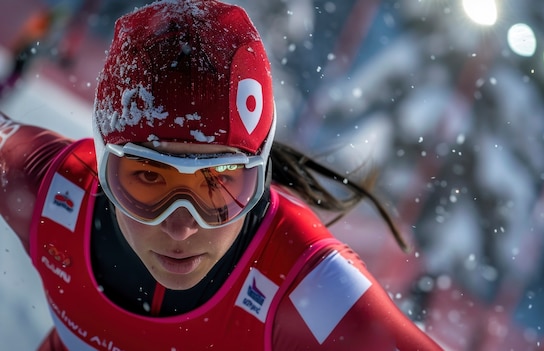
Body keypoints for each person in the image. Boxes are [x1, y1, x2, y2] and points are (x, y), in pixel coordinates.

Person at [0, 0, 443, 350]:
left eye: (218, 183)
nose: (181, 225)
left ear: (261, 175)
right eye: (149, 178)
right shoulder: (49, 188)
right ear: (100, 162)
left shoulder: (307, 286)